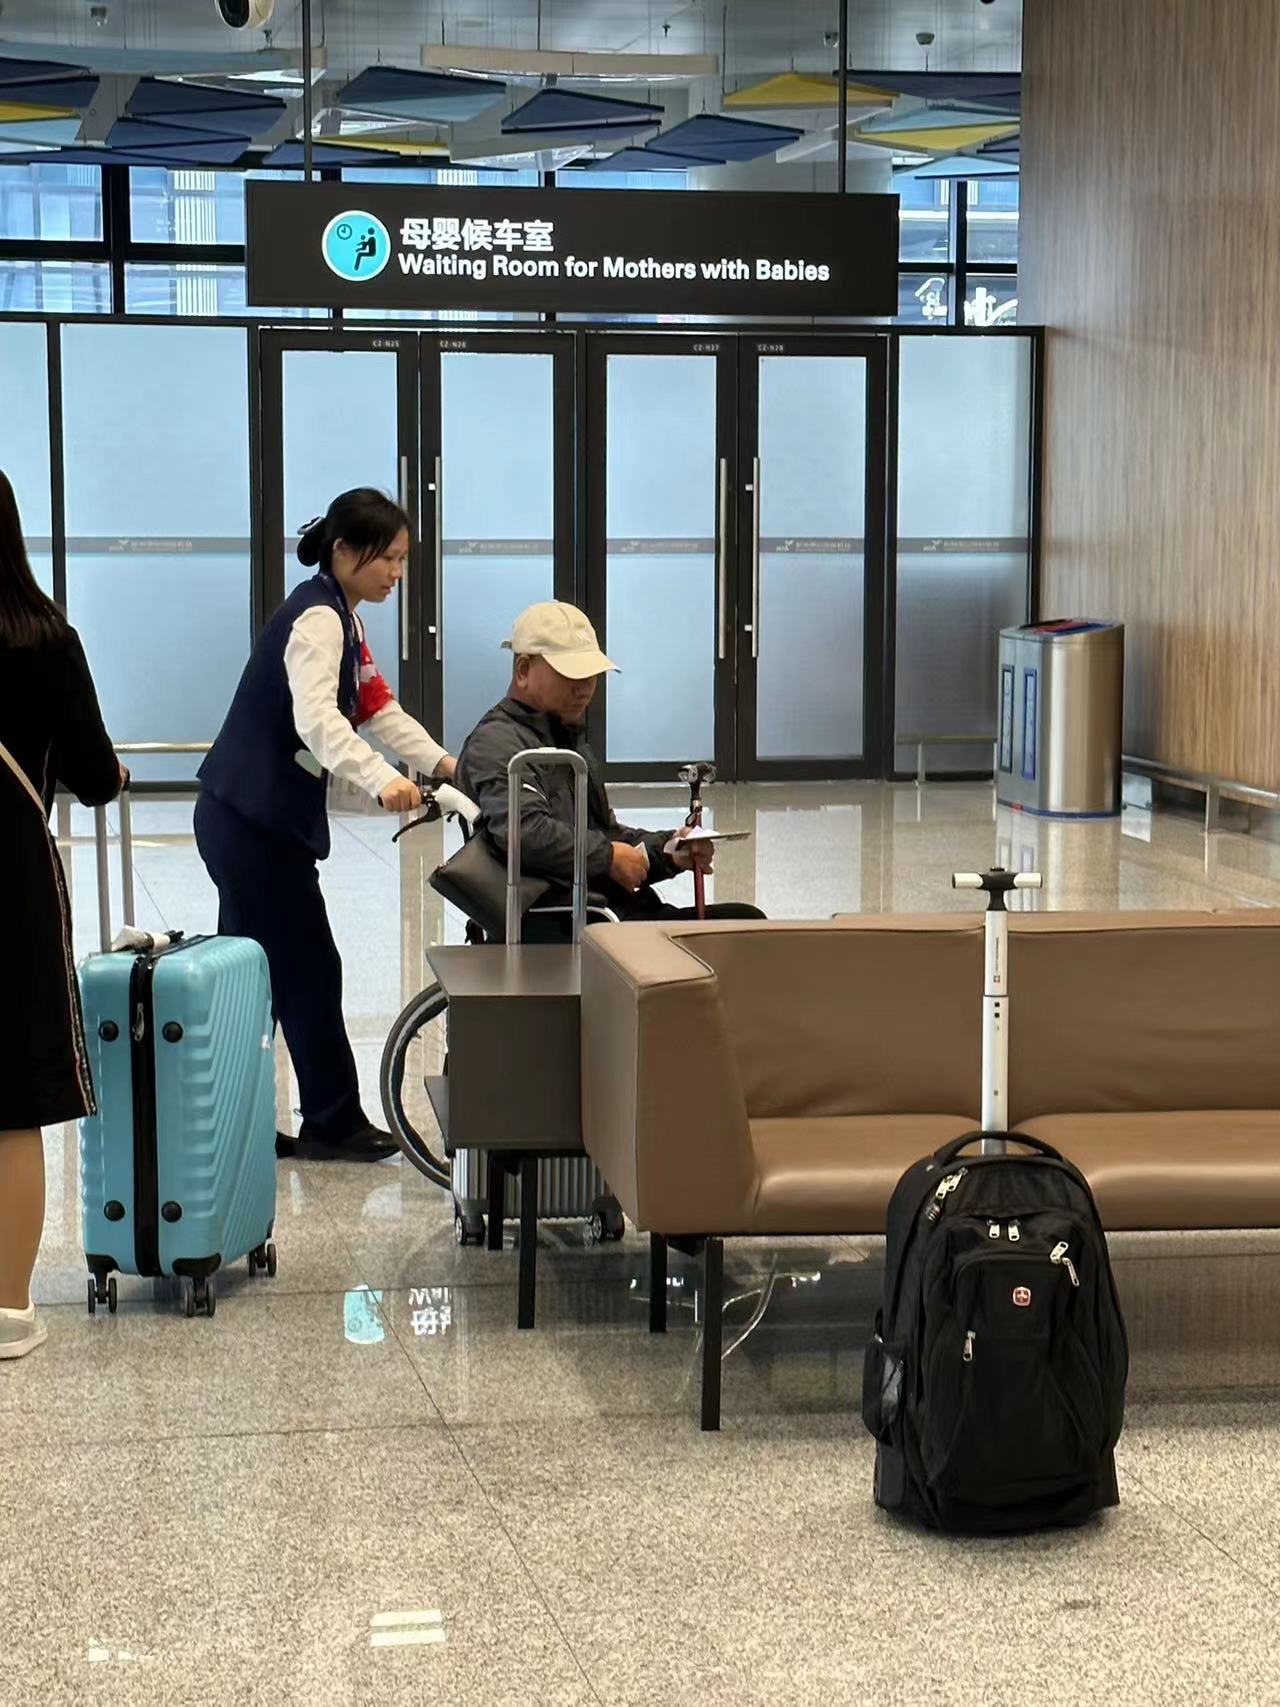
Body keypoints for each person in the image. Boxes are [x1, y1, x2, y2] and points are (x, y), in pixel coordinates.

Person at [196, 488, 454, 1163]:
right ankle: (331, 1122)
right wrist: (382, 778)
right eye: (387, 558)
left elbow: (377, 707)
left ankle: (233, 1126)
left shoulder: (344, 617)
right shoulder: (318, 621)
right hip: (251, 825)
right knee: (305, 968)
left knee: (250, 978)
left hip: (247, 818)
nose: (397, 572)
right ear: (343, 551)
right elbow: (317, 720)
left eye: (402, 559)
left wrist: (442, 762)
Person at [0, 469, 123, 1361]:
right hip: (9, 877)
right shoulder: (44, 638)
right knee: (13, 1098)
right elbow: (92, 771)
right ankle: (8, 1309)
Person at [455, 600, 765, 934]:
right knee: (746, 930)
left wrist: (669, 850)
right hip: (579, 926)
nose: (583, 688)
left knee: (747, 922)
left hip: (610, 913)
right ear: (523, 670)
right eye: (570, 674)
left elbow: (603, 833)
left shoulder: (564, 741)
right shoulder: (497, 745)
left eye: (591, 675)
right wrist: (608, 857)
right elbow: (525, 834)